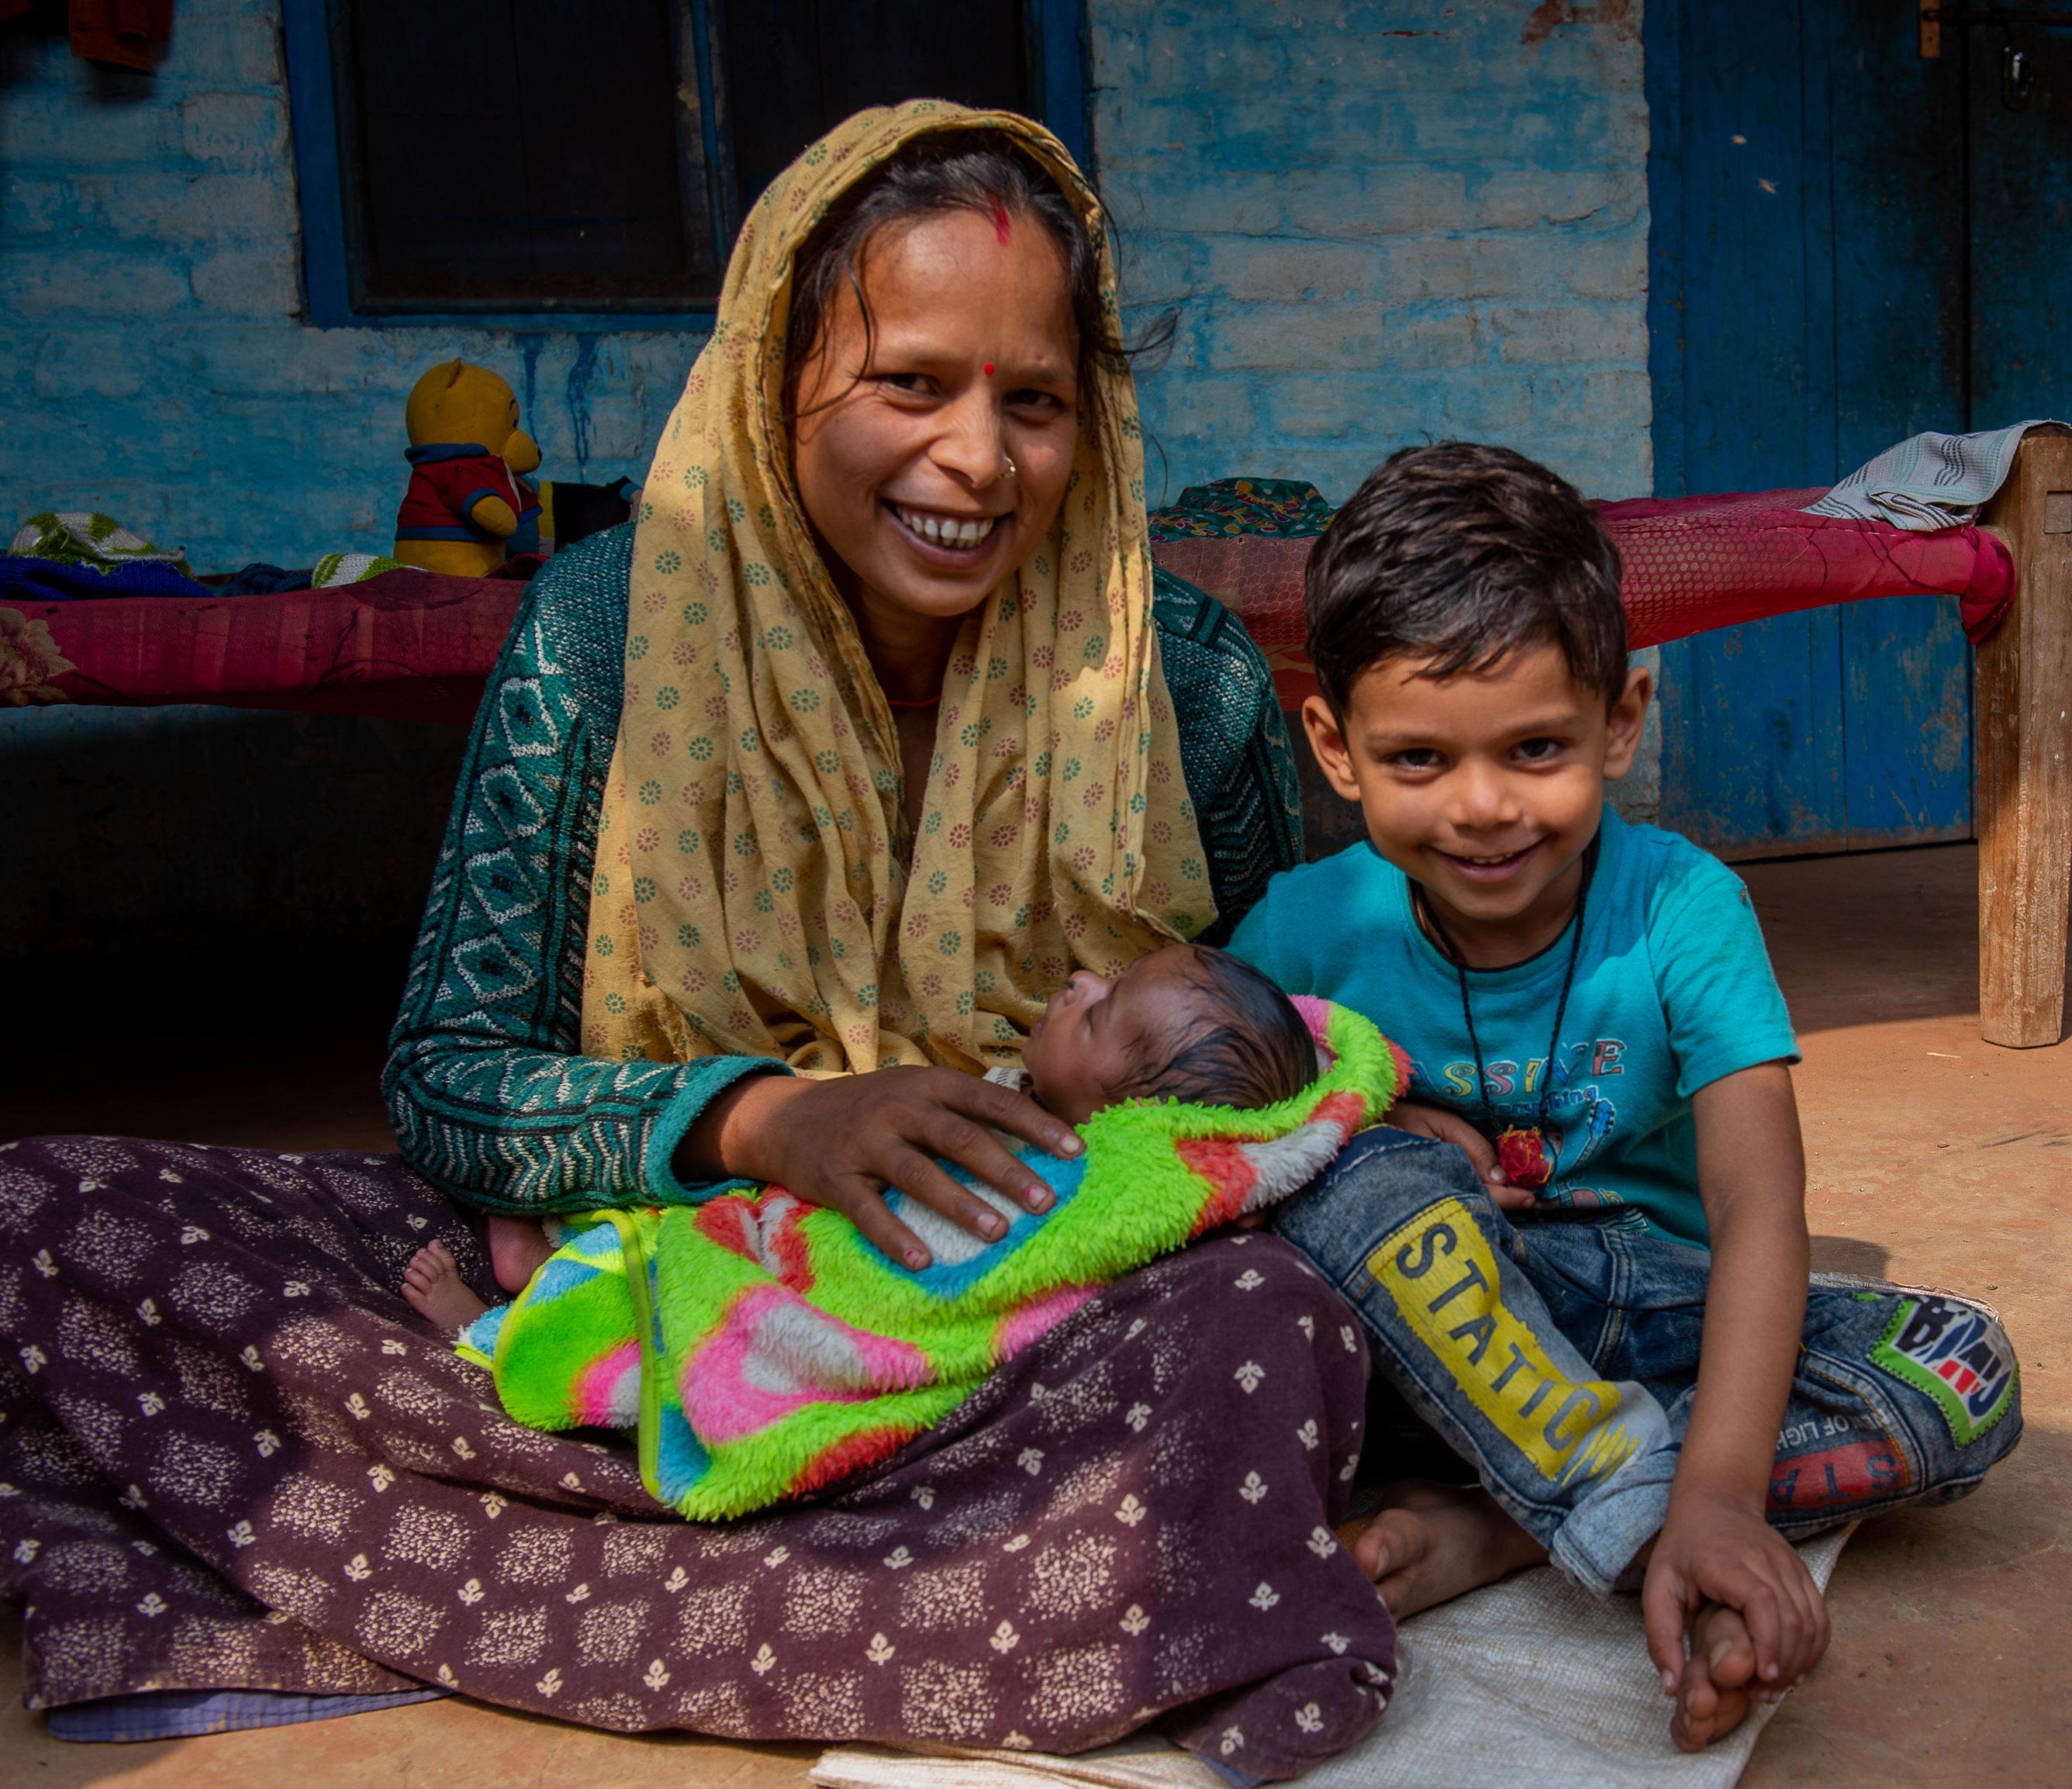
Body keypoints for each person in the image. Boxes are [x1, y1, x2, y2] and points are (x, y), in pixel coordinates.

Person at [0, 107, 1402, 1783]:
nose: (975, 459)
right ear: (770, 376)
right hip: (669, 1280)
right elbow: (451, 1078)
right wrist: (763, 1121)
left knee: (1260, 1317)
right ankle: (954, 1589)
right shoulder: (603, 630)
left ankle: (623, 1555)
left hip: (1011, 1335)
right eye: (910, 385)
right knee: (46, 1216)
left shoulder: (1176, 669)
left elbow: (1285, 1061)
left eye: (1033, 403)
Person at [1231, 442, 2027, 1751]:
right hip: (1425, 1336)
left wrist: (1719, 1487)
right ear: (1335, 745)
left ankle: (1515, 1517)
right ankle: (1592, 1490)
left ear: (1621, 720)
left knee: (1960, 1376)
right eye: (1419, 760)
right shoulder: (1301, 929)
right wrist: (1364, 1120)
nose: (1485, 809)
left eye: (1537, 747)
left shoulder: (1684, 906)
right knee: (1347, 1192)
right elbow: (1209, 1144)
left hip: (1642, 1312)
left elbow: (1759, 1206)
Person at [396, 943, 1321, 1331]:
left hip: (822, 1278)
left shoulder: (1061, 1185)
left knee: (673, 1317)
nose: (1077, 979)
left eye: (1099, 1011)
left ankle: (493, 1326)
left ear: (1122, 1121)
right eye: (1102, 980)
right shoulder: (1018, 1093)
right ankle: (560, 1240)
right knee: (681, 1219)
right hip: (781, 1199)